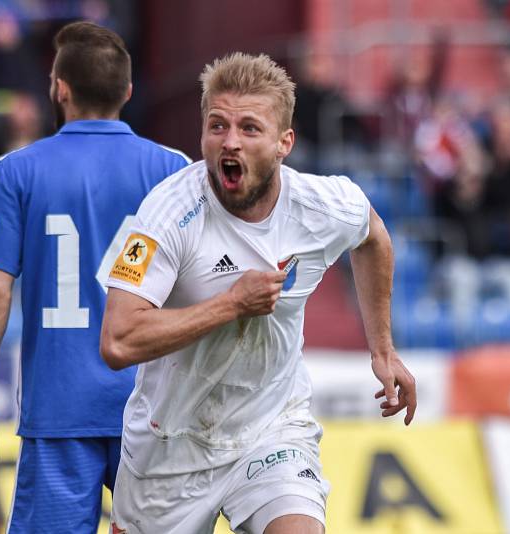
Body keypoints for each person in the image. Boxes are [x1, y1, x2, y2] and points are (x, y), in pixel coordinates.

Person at [101, 53, 416, 534]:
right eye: (217, 126)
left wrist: (384, 349)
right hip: (172, 445)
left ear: (284, 142)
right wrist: (231, 305)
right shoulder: (166, 214)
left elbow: (372, 236)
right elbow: (118, 341)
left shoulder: (323, 204)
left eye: (249, 128)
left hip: (272, 429)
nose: (230, 141)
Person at [0, 21, 190, 533]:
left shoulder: (17, 169)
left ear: (58, 88)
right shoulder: (173, 169)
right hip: (151, 409)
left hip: (59, 409)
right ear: (127, 92)